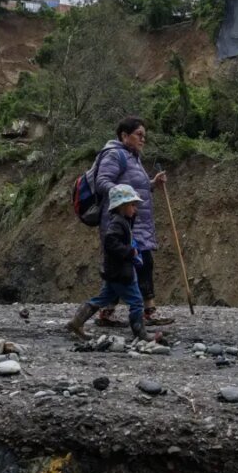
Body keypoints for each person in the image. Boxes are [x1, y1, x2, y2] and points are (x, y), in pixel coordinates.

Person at [92, 116, 170, 328]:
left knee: (126, 265)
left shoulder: (133, 158)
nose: (143, 139)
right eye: (139, 135)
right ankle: (148, 311)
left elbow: (137, 189)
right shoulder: (115, 155)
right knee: (136, 263)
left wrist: (153, 183)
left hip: (138, 221)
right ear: (124, 136)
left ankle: (107, 311)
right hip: (120, 222)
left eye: (144, 136)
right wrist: (124, 197)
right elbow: (102, 182)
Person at [67, 184, 163, 342]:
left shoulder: (122, 221)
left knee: (102, 298)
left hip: (113, 271)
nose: (135, 209)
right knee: (136, 301)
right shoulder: (118, 223)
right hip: (121, 271)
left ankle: (76, 322)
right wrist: (129, 251)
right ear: (122, 206)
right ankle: (141, 333)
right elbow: (110, 241)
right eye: (132, 205)